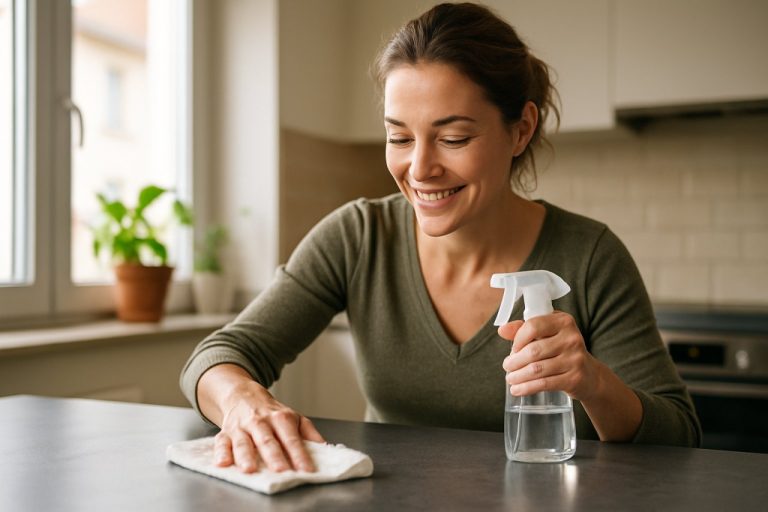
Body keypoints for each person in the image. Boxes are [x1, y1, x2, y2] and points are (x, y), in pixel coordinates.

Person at [180, 2, 701, 474]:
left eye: (453, 138)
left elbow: (679, 437)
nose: (420, 168)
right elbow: (220, 354)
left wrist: (592, 381)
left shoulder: (589, 257)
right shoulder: (360, 237)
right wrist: (242, 400)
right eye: (399, 137)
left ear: (520, 130)